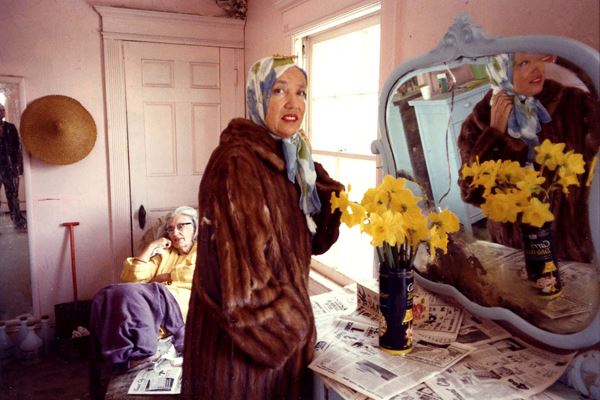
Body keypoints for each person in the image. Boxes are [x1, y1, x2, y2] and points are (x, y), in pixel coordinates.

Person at [182, 56, 343, 399]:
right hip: (239, 362)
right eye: (279, 90)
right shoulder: (237, 164)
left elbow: (313, 243)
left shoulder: (289, 160)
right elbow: (241, 289)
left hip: (273, 354)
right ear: (258, 96)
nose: (293, 103)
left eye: (301, 92)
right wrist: (294, 328)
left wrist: (318, 185)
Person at [458, 52, 599, 263]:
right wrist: (494, 133)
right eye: (524, 63)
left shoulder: (573, 103)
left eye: (538, 59)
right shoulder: (479, 121)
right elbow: (472, 193)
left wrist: (569, 60)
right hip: (515, 251)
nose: (537, 69)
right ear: (501, 69)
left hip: (571, 248)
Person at [90, 206, 198, 372]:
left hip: (183, 298)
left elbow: (200, 274)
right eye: (170, 229)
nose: (175, 232)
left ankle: (143, 351)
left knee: (132, 295)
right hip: (154, 294)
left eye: (181, 226)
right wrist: (152, 245)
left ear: (195, 228)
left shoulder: (204, 250)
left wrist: (163, 277)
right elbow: (132, 278)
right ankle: (126, 355)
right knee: (110, 293)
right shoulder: (165, 253)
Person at [0, 104, 27, 230]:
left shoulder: (10, 127)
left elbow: (18, 147)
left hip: (10, 167)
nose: (1, 113)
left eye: (2, 110)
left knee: (13, 195)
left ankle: (18, 221)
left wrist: (20, 165)